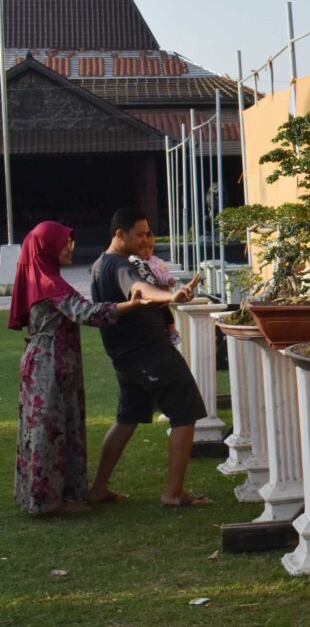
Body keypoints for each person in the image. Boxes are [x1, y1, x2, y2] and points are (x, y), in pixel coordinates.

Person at [10, 221, 149, 515]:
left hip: (50, 360)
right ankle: (49, 502)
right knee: (49, 428)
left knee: (54, 425)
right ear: (47, 247)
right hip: (50, 362)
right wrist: (130, 305)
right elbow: (87, 313)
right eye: (64, 242)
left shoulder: (42, 278)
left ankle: (48, 496)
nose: (69, 247)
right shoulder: (49, 284)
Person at [89, 207, 209, 507]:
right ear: (120, 234)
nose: (146, 239)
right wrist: (172, 296)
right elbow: (139, 291)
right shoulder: (118, 265)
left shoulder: (100, 264)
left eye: (148, 233)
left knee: (127, 417)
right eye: (140, 234)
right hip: (149, 353)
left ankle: (98, 488)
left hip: (127, 357)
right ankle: (173, 492)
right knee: (186, 411)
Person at [128, 231, 180, 346]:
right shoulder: (132, 261)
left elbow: (164, 273)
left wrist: (169, 280)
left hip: (159, 292)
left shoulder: (156, 261)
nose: (147, 251)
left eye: (151, 248)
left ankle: (172, 330)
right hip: (147, 294)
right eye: (144, 248)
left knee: (166, 311)